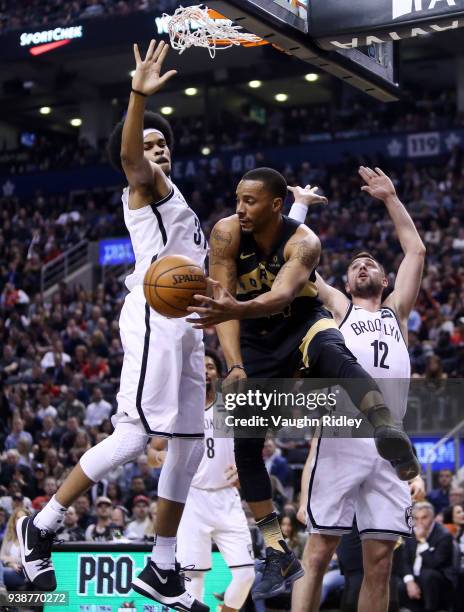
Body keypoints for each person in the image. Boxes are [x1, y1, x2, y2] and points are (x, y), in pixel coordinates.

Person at [16, 39, 208, 612]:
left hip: (186, 325)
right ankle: (42, 525)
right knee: (131, 437)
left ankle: (162, 567)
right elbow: (130, 158)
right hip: (155, 318)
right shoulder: (142, 186)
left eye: (162, 143)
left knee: (191, 447)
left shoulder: (179, 202)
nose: (156, 150)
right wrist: (137, 98)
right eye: (148, 143)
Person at [187, 167, 419, 599]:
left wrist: (389, 199)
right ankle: (276, 547)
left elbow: (279, 295)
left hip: (300, 325)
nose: (239, 208)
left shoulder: (317, 252)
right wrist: (235, 366)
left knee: (333, 349)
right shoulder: (226, 234)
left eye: (249, 201)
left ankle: (386, 424)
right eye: (237, 198)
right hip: (261, 346)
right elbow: (223, 305)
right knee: (246, 445)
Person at [289, 167, 426, 612]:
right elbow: (296, 259)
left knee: (381, 562)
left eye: (371, 263)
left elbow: (416, 249)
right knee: (319, 549)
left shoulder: (396, 312)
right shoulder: (339, 306)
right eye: (355, 265)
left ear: (384, 281)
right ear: (347, 282)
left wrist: (390, 198)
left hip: (392, 442)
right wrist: (300, 209)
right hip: (345, 434)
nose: (363, 265)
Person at [159, 350, 255, 612]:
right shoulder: (178, 409)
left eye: (210, 367)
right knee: (193, 580)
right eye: (200, 367)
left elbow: (253, 442)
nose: (205, 371)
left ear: (218, 374)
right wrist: (167, 460)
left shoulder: (231, 404)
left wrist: (244, 467)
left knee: (247, 574)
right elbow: (153, 450)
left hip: (227, 497)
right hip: (192, 499)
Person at [399, 501, 455, 612]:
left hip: (439, 582)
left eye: (424, 518)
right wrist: (409, 582)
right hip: (416, 578)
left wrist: (422, 541)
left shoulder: (444, 535)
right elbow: (404, 560)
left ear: (433, 517)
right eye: (416, 518)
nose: (419, 522)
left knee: (427, 575)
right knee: (398, 583)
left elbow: (434, 563)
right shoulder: (410, 534)